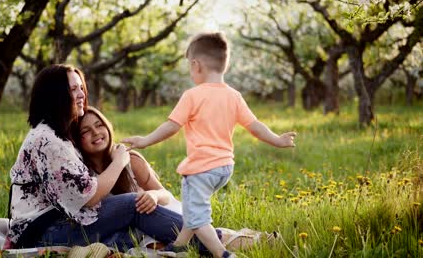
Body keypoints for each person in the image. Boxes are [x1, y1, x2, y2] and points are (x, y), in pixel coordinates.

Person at [123, 32, 296, 258]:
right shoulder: (234, 96)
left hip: (201, 169)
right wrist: (278, 140)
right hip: (224, 168)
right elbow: (255, 126)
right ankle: (179, 247)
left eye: (189, 65)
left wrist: (145, 140)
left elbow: (172, 126)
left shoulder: (193, 95)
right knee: (192, 209)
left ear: (196, 65)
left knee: (198, 217)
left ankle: (222, 254)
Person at [7, 64, 187, 251]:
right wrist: (119, 161)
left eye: (81, 88)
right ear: (56, 95)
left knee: (129, 227)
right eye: (73, 89)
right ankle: (209, 238)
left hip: (55, 224)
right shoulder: (48, 141)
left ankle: (194, 239)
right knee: (133, 205)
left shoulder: (55, 135)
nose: (81, 95)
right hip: (42, 232)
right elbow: (90, 197)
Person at [75, 106, 277, 254]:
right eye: (85, 131)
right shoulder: (81, 173)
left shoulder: (131, 160)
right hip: (126, 233)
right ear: (77, 139)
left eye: (99, 125)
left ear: (108, 127)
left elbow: (165, 194)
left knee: (179, 237)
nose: (95, 133)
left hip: (157, 218)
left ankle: (245, 241)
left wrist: (153, 195)